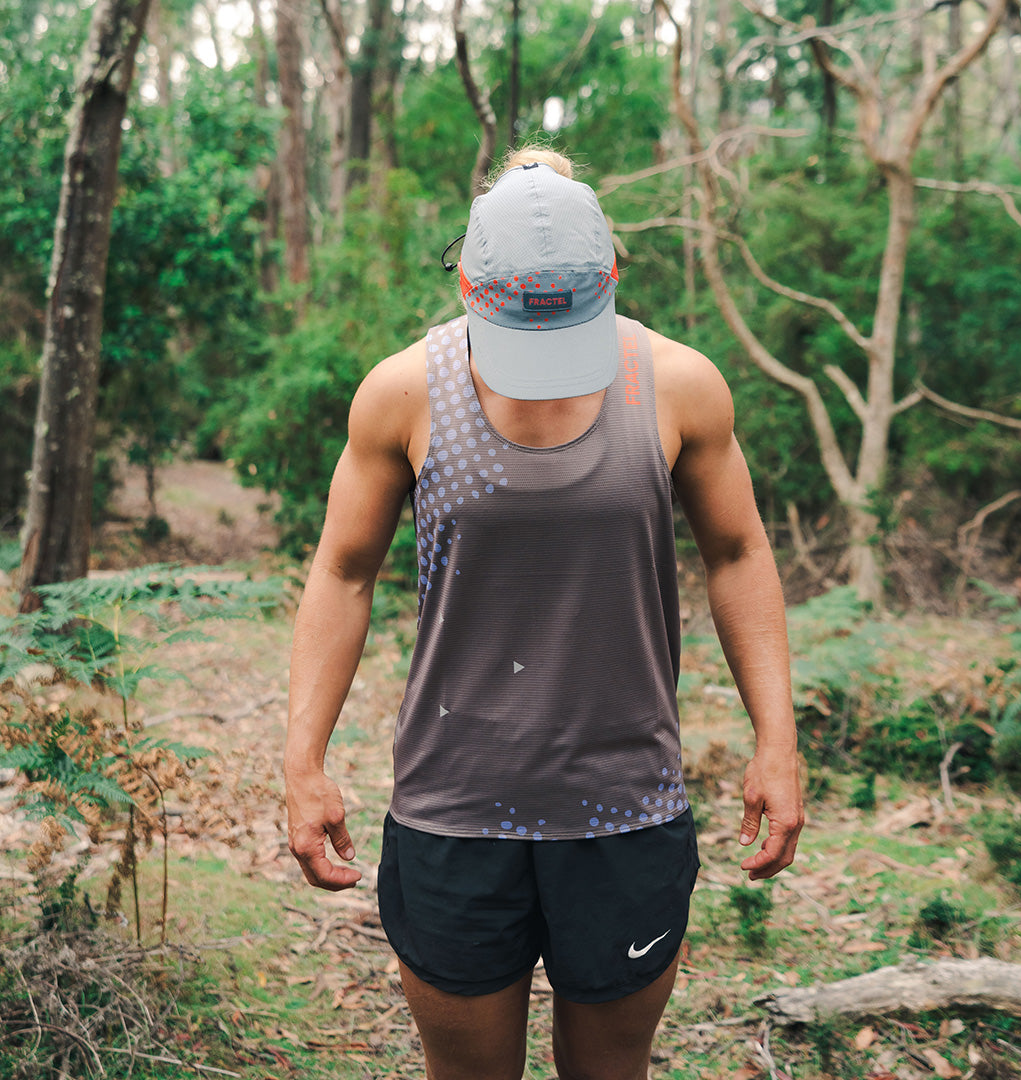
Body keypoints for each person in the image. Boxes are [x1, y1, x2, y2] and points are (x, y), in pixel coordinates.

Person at [284, 146, 803, 1080]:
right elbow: (343, 571)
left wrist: (778, 739)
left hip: (626, 808)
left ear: (610, 277)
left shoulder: (679, 384)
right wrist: (302, 760)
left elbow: (738, 553)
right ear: (468, 284)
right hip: (452, 808)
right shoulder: (404, 391)